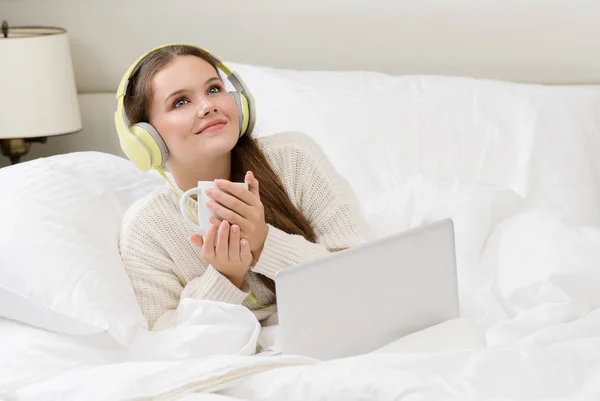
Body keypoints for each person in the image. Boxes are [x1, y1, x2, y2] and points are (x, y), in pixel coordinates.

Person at [117, 44, 371, 330]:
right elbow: (164, 339)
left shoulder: (293, 157)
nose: (207, 106)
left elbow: (362, 275)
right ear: (146, 139)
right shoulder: (146, 228)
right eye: (180, 102)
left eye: (213, 89)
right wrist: (224, 277)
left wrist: (264, 241)